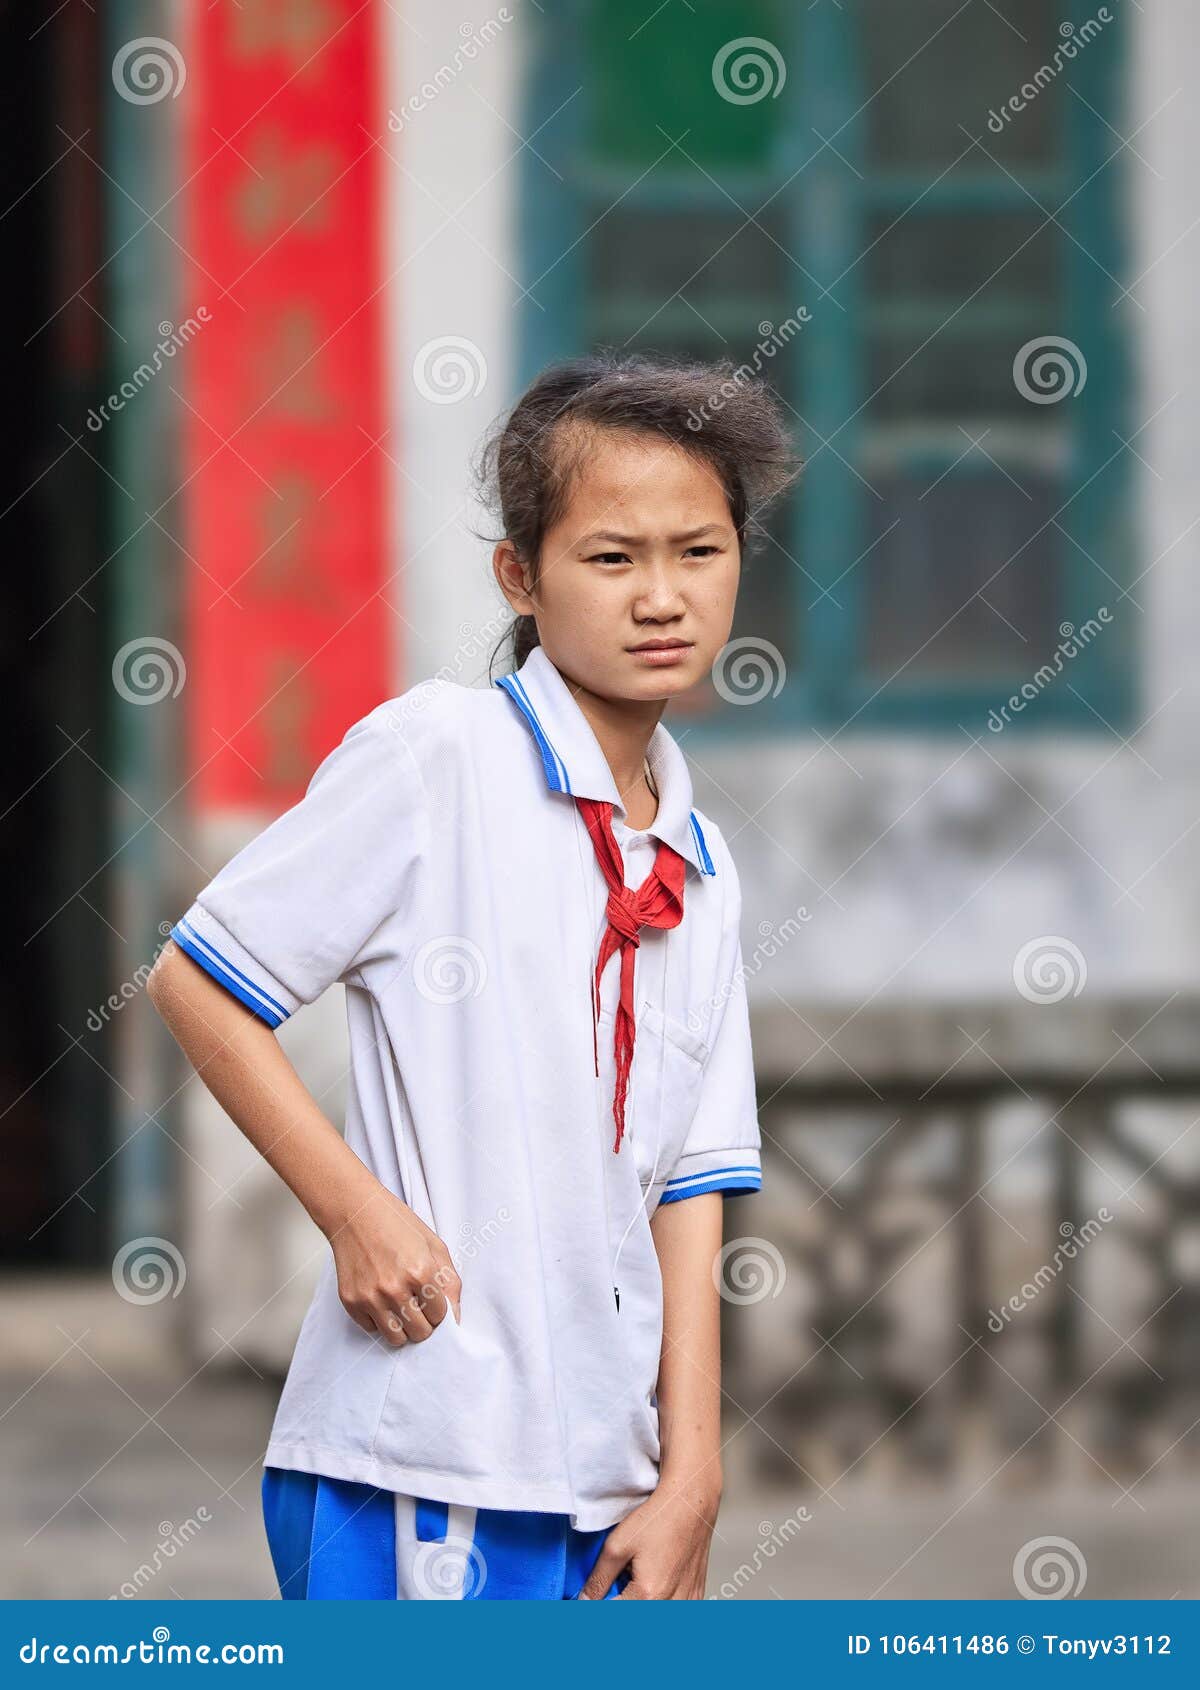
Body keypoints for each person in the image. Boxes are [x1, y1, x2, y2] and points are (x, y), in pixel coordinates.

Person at [148, 350, 801, 1600]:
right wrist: (354, 1214)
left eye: (698, 552)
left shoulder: (699, 864)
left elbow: (691, 1185)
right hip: (424, 1453)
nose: (661, 596)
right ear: (523, 574)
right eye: (612, 558)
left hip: (611, 1482)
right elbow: (198, 981)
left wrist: (695, 1479)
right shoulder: (437, 758)